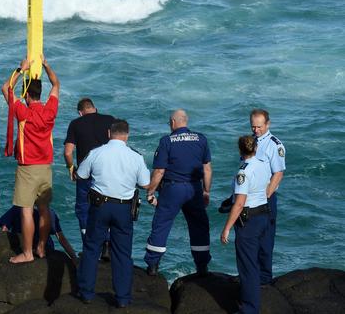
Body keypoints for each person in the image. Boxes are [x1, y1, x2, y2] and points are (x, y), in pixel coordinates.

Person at [76, 119, 150, 308]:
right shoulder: (136, 157)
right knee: (123, 253)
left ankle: (86, 293)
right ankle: (123, 298)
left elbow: (81, 175)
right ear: (127, 134)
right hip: (124, 208)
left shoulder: (96, 153)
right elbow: (145, 183)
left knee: (92, 248)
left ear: (109, 133)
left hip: (100, 206)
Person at [1, 56, 59, 264]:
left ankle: (27, 253)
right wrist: (46, 65)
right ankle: (41, 247)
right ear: (40, 94)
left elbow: (6, 88)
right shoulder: (50, 110)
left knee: (26, 211)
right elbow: (56, 84)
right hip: (46, 167)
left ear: (26, 95)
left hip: (27, 168)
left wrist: (20, 69)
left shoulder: (23, 112)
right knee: (44, 209)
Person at [144, 109, 212, 276]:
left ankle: (153, 265)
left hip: (172, 188)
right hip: (194, 188)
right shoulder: (201, 139)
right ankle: (202, 267)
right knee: (199, 227)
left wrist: (150, 192)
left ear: (173, 123)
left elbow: (159, 171)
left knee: (161, 224)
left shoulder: (167, 141)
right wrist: (206, 191)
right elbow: (207, 169)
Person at [221, 135, 272, 314]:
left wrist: (227, 228)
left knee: (247, 265)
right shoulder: (264, 164)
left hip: (248, 221)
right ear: (255, 148)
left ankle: (250, 309)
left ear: (240, 150)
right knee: (255, 260)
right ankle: (252, 299)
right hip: (263, 214)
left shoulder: (243, 172)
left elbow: (240, 202)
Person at [63, 98, 115, 246]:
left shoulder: (75, 124)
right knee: (107, 206)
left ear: (80, 112)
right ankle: (107, 243)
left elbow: (68, 153)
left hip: (85, 174)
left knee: (84, 209)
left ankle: (89, 245)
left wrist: (71, 168)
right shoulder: (110, 120)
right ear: (95, 108)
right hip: (108, 173)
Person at [249, 108, 285, 285]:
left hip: (266, 198)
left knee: (265, 239)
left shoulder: (274, 145)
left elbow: (278, 174)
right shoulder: (251, 141)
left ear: (268, 124)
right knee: (251, 238)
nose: (256, 130)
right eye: (253, 127)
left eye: (259, 127)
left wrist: (265, 196)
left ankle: (264, 279)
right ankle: (252, 275)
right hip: (250, 198)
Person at [0, 206, 77, 265]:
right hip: (46, 249)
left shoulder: (17, 208)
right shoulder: (50, 213)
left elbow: (4, 230)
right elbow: (61, 239)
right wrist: (74, 257)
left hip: (22, 247)